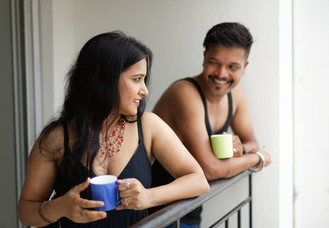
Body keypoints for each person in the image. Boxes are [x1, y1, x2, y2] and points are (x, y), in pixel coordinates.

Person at [18, 31, 209, 228]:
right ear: (103, 80)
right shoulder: (57, 138)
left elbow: (198, 180)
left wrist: (148, 196)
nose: (145, 90)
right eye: (136, 79)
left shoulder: (148, 126)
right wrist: (60, 207)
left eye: (144, 79)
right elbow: (26, 211)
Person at [151, 22, 272, 227]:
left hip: (189, 208)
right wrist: (255, 158)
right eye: (214, 62)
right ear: (204, 58)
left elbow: (251, 141)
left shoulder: (236, 94)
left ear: (245, 67)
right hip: (158, 213)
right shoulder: (185, 93)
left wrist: (240, 149)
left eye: (233, 66)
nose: (222, 74)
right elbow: (211, 170)